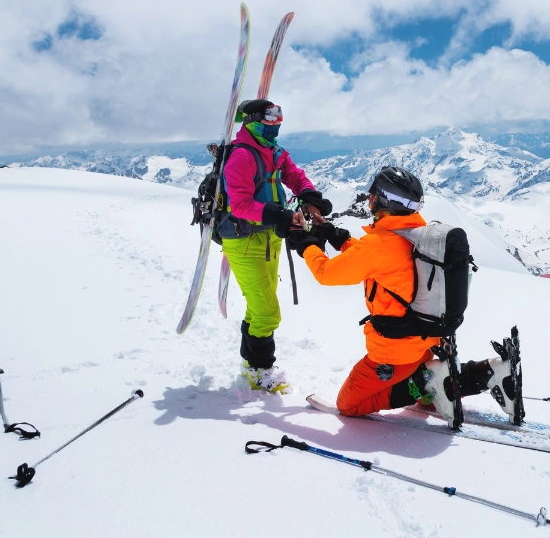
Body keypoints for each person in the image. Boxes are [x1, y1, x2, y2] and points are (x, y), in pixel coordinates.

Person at [286, 166, 520, 422]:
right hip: (426, 344)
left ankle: (425, 383)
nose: (370, 203)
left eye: (373, 197)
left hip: (395, 352)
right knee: (425, 376)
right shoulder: (418, 235)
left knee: (349, 404)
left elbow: (327, 273)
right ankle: (490, 372)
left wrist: (306, 243)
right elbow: (377, 261)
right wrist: (336, 236)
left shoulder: (377, 245)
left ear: (384, 202)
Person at [220, 99, 332, 394]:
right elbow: (241, 204)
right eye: (269, 125)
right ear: (253, 124)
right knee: (268, 311)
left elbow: (294, 174)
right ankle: (260, 372)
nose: (275, 131)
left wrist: (309, 195)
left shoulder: (273, 152)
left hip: (269, 238)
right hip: (243, 240)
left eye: (277, 125)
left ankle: (249, 365)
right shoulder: (242, 157)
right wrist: (279, 214)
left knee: (259, 307)